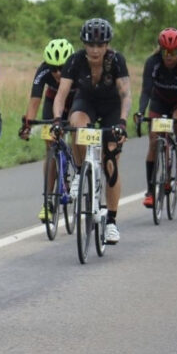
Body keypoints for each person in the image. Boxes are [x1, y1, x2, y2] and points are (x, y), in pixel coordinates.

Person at [52, 18, 131, 244]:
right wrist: (58, 119)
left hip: (111, 107)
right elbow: (61, 94)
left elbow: (125, 95)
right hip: (86, 102)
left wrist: (123, 123)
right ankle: (79, 172)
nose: (95, 50)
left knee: (110, 161)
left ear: (107, 45)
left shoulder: (116, 61)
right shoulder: (75, 60)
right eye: (90, 45)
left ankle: (112, 222)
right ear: (84, 44)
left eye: (100, 45)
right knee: (75, 124)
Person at [134, 27, 177, 207]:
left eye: (174, 52)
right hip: (159, 101)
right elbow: (145, 91)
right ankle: (150, 191)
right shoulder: (152, 63)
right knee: (154, 141)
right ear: (160, 50)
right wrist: (140, 111)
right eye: (165, 52)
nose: (169, 56)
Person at [18, 38, 75, 222]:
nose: (58, 73)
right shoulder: (43, 70)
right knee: (50, 147)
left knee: (78, 134)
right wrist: (28, 125)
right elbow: (35, 99)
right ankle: (48, 201)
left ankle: (79, 171)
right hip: (52, 102)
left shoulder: (77, 67)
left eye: (62, 68)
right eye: (53, 68)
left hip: (75, 101)